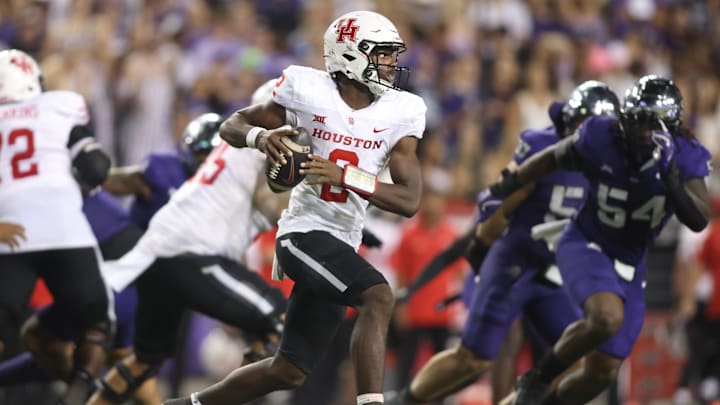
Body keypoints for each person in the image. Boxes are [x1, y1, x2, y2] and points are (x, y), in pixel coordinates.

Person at [164, 9, 427, 405]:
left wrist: (344, 176)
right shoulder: (307, 90)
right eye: (382, 53)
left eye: (392, 54)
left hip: (342, 241)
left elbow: (409, 200)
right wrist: (260, 137)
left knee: (287, 371)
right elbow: (230, 125)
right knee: (378, 296)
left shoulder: (400, 111)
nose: (391, 63)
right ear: (351, 55)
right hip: (303, 233)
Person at [388, 81, 621, 405]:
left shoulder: (611, 166)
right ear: (571, 121)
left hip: (553, 272)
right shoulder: (542, 147)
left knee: (577, 360)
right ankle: (405, 400)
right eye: (588, 126)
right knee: (475, 358)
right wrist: (483, 258)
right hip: (515, 261)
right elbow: (501, 204)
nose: (594, 136)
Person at [490, 75, 712, 405]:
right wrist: (512, 182)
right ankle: (538, 377)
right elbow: (553, 156)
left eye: (655, 125)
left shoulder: (684, 155)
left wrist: (672, 179)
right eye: (639, 121)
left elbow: (698, 219)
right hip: (586, 241)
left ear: (673, 127)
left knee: (604, 371)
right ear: (626, 116)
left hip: (631, 264)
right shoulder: (601, 135)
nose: (645, 133)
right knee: (606, 318)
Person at [0, 113, 228, 404]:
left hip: (126, 274)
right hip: (144, 277)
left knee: (46, 339)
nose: (208, 161)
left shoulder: (45, 192)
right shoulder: (165, 173)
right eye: (204, 153)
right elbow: (104, 179)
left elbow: (98, 181)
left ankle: (81, 393)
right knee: (129, 371)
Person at [85, 83, 289, 405]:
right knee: (278, 321)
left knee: (143, 359)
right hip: (193, 255)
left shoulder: (231, 144)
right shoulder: (261, 146)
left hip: (158, 256)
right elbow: (272, 207)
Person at [0, 49, 114, 405]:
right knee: (96, 321)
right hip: (64, 229)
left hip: (8, 231)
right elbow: (96, 166)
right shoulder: (60, 106)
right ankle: (79, 393)